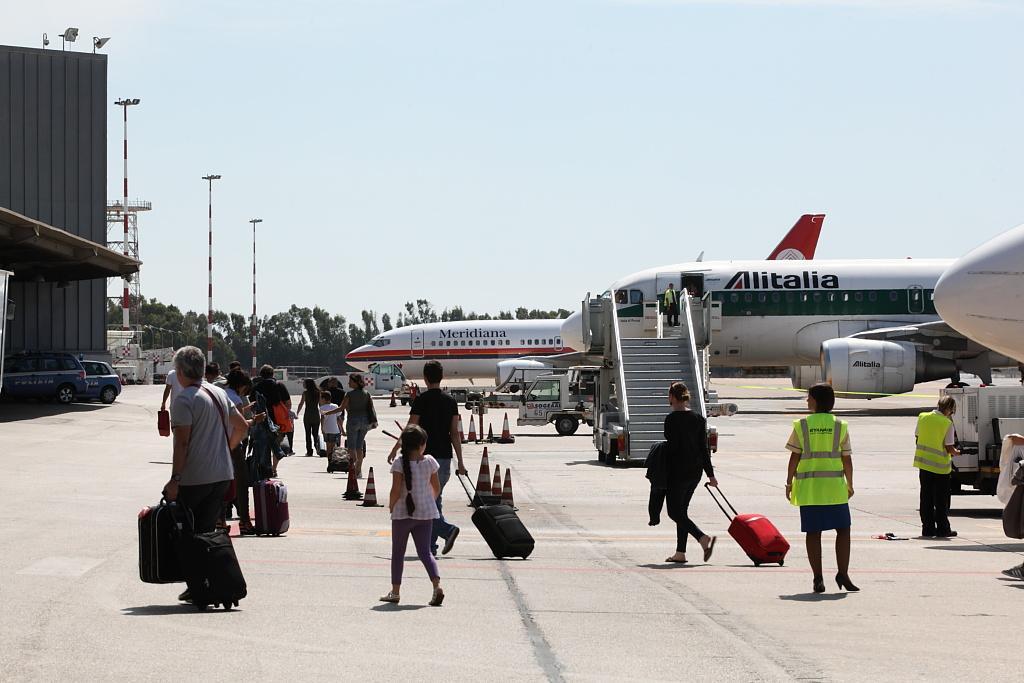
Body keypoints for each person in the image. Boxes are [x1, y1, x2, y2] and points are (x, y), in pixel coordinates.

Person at [163, 346, 248, 602]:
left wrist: (175, 479)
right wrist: (224, 450)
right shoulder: (219, 393)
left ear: (179, 371)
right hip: (222, 474)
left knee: (188, 535)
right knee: (207, 532)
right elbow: (242, 427)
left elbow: (182, 444)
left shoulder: (184, 400)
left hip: (195, 477)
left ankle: (199, 585)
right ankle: (212, 583)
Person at [785, 382, 858, 593]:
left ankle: (818, 577)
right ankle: (843, 574)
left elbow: (794, 457)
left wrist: (789, 482)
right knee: (843, 530)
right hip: (835, 488)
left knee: (813, 533)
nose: (807, 401)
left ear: (815, 400)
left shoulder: (802, 425)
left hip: (810, 488)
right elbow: (847, 460)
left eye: (808, 397)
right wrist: (850, 484)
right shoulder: (840, 425)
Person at [389, 360, 467, 557]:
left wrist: (395, 448)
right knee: (435, 501)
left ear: (425, 377)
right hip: (445, 458)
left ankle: (447, 530)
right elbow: (455, 434)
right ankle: (430, 547)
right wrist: (461, 461)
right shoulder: (450, 401)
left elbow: (410, 428)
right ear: (441, 377)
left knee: (424, 502)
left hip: (423, 459)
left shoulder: (421, 400)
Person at [380, 425, 444, 606]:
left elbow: (395, 490)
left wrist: (391, 506)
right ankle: (436, 585)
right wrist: (428, 501)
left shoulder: (399, 463)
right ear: (422, 445)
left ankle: (395, 591)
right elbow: (436, 487)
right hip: (425, 513)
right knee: (425, 552)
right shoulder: (430, 461)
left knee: (398, 553)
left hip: (402, 513)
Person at [661, 382, 718, 564]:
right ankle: (680, 552)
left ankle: (702, 538)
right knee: (682, 512)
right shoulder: (699, 419)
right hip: (695, 472)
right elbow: (704, 449)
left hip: (677, 471)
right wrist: (711, 475)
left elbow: (671, 447)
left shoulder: (671, 419)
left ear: (673, 397)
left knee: (674, 513)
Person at [224, 369, 266, 535]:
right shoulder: (236, 399)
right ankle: (245, 521)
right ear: (241, 386)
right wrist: (256, 420)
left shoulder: (220, 393)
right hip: (234, 444)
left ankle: (220, 520)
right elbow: (241, 425)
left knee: (222, 481)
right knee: (242, 481)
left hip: (219, 442)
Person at [914, 396, 960, 538]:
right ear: (950, 409)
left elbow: (917, 437)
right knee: (941, 500)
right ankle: (943, 529)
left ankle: (927, 529)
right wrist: (957, 453)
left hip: (924, 464)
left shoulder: (923, 417)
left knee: (925, 498)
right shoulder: (947, 423)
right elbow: (949, 447)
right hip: (940, 467)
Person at [324, 374, 377, 478]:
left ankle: (352, 469)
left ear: (356, 382)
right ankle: (359, 470)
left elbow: (341, 408)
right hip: (365, 422)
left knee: (351, 447)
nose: (348, 383)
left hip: (353, 421)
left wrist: (327, 413)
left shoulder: (349, 394)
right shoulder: (367, 394)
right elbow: (371, 408)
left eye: (350, 381)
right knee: (359, 446)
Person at [295, 378, 324, 456]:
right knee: (315, 433)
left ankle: (309, 451)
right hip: (315, 414)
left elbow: (301, 403)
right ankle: (317, 448)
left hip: (307, 415)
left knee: (308, 434)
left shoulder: (305, 393)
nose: (303, 384)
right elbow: (321, 404)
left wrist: (297, 412)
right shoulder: (318, 393)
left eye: (304, 383)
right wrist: (323, 414)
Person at [319, 390, 342, 459]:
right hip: (335, 430)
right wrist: (342, 429)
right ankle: (333, 460)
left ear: (323, 399)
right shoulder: (335, 406)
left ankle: (329, 460)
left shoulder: (321, 408)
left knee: (328, 446)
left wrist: (322, 428)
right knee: (334, 446)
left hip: (326, 430)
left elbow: (322, 419)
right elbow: (338, 419)